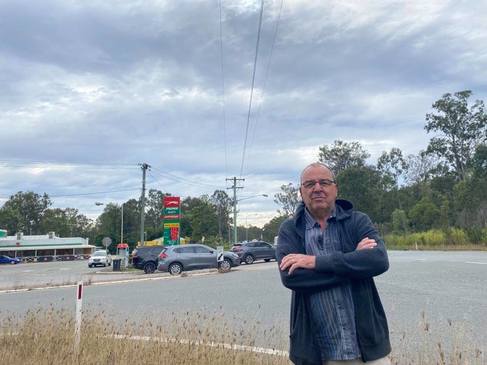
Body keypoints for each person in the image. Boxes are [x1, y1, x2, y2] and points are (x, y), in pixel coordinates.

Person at [276, 162, 391, 365]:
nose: (318, 188)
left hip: (367, 350)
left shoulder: (357, 221)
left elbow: (378, 260)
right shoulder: (290, 230)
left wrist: (315, 262)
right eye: (310, 184)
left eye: (325, 182)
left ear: (335, 189)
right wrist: (354, 261)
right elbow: (292, 278)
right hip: (317, 353)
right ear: (301, 192)